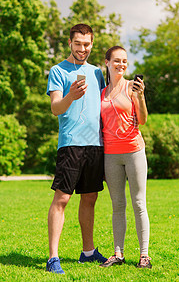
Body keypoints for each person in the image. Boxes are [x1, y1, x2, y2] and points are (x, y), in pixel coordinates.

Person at [46, 23, 107, 274]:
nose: (83, 49)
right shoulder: (58, 70)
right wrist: (71, 95)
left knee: (90, 198)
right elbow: (55, 108)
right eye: (78, 44)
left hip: (95, 144)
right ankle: (53, 258)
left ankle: (88, 252)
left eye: (87, 44)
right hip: (70, 143)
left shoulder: (96, 73)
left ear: (92, 44)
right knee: (62, 198)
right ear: (70, 43)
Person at [100, 46, 152, 268]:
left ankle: (144, 256)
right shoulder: (102, 93)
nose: (121, 64)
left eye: (124, 61)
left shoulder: (132, 87)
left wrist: (140, 97)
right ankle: (118, 254)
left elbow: (143, 119)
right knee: (117, 204)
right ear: (107, 63)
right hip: (111, 155)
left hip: (133, 151)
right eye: (117, 61)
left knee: (139, 203)